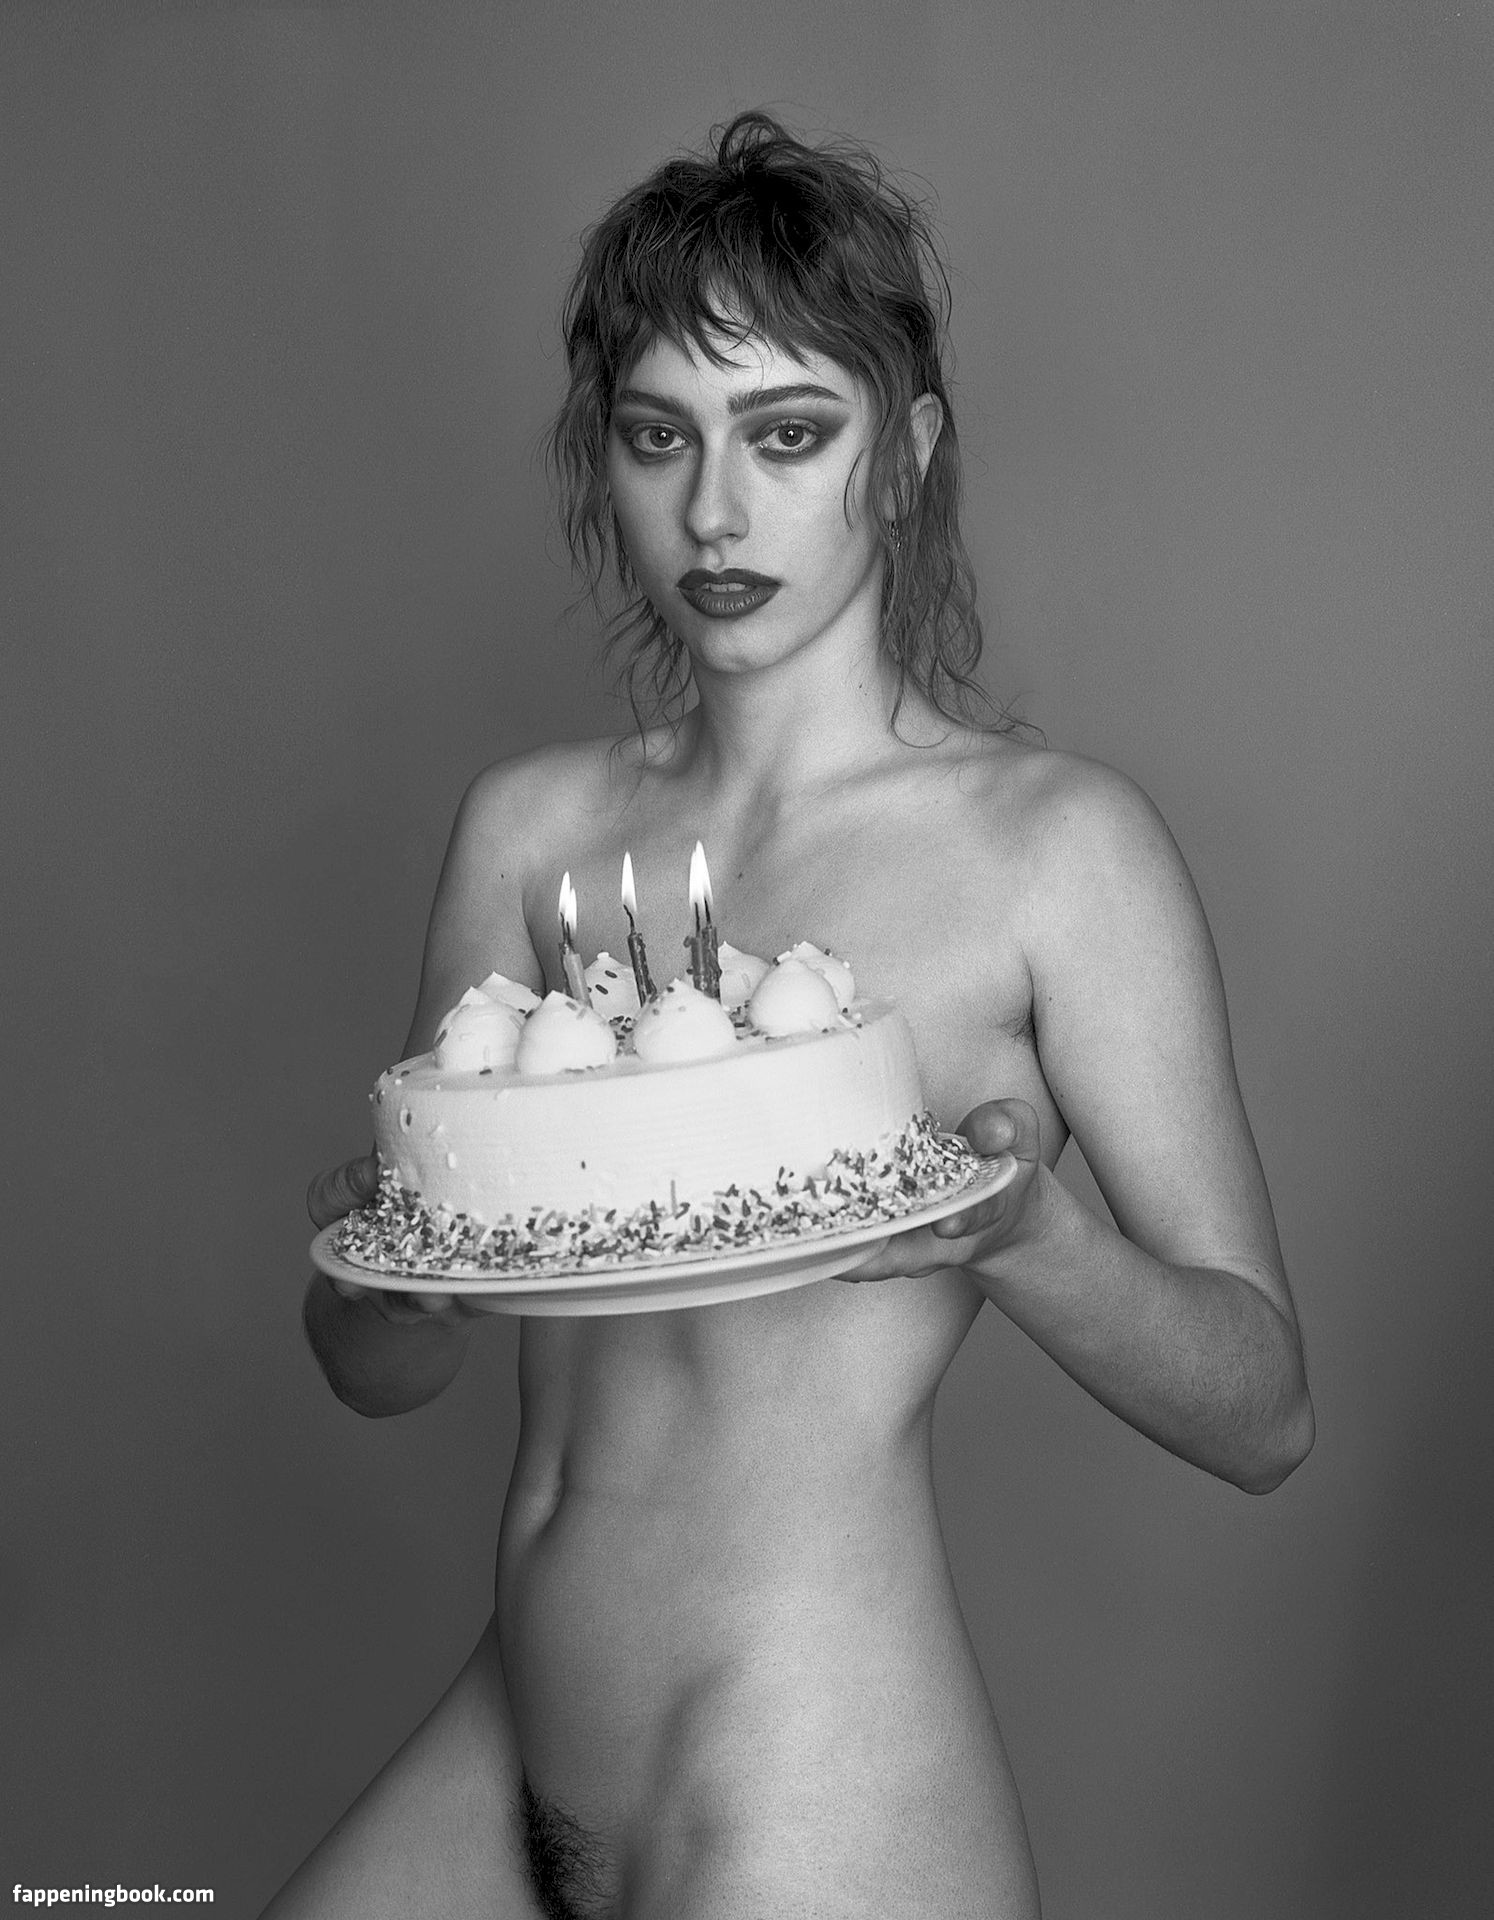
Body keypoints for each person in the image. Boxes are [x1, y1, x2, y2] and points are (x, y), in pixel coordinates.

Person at [264, 112, 1314, 1920]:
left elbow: (1264, 1414)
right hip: (514, 1734)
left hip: (807, 1770)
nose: (714, 513)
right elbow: (382, 1374)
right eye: (658, 436)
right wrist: (378, 1289)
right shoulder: (528, 831)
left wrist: (1023, 1232)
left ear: (902, 458)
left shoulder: (1051, 853)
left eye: (788, 434)